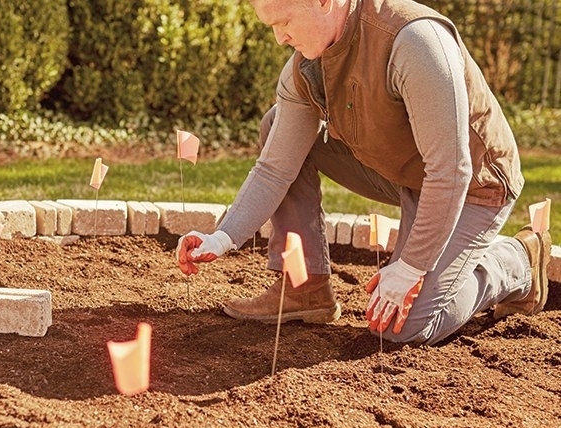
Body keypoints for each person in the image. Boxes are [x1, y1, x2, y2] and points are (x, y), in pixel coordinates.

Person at [175, 0, 552, 346]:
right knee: (278, 125)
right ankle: (305, 286)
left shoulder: (415, 42)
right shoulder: (306, 68)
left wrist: (409, 268)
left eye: (285, 21)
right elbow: (275, 168)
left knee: (401, 327)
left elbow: (452, 172)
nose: (279, 38)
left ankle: (516, 260)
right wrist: (221, 238)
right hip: (406, 173)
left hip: (474, 184)